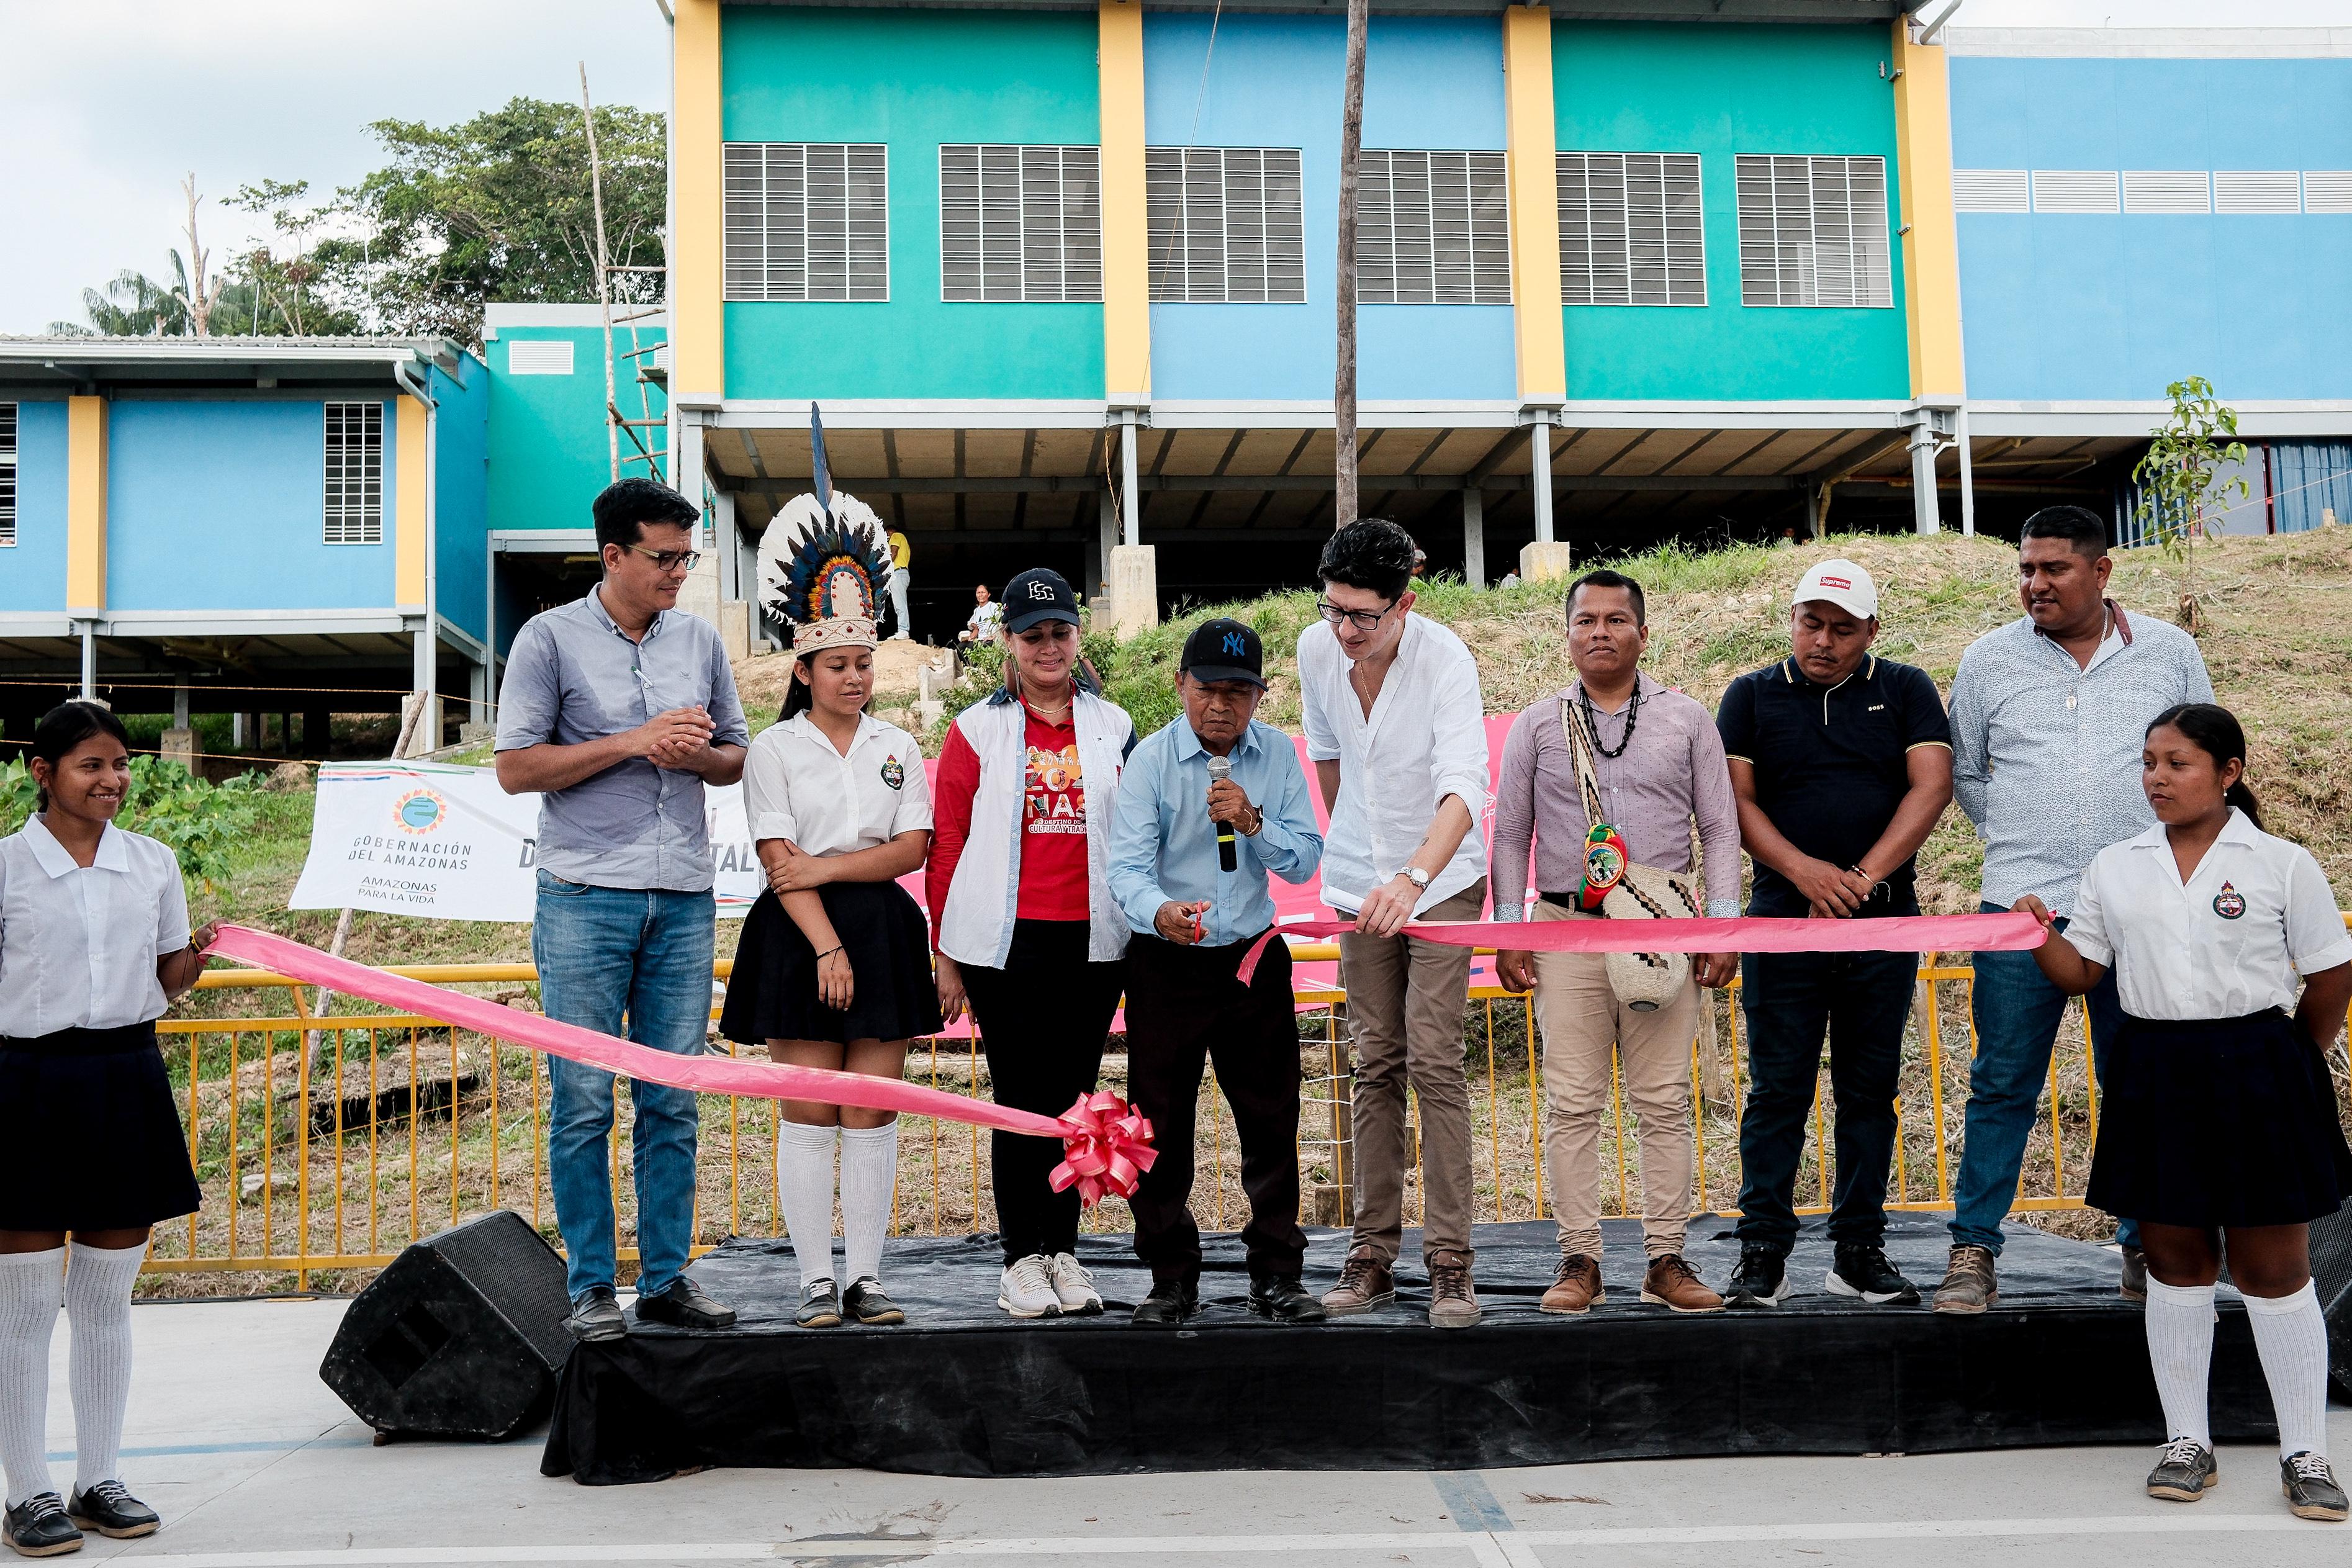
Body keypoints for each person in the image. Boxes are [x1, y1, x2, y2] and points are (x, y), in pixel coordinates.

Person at [2018, 704, 2350, 1523]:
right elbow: (2082, 972)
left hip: (2261, 1068)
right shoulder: (2116, 865)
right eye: (2149, 763)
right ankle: (2186, 1442)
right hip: (2156, 1069)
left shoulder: (2280, 862)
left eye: (2178, 763)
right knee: (2175, 1264)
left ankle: (2306, 1453)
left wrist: (2289, 1061)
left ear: (2229, 772)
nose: (2157, 779)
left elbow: (2331, 974)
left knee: (2274, 1269)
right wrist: (2034, 932)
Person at [1936, 505, 2214, 1313]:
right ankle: (1973, 1250)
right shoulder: (1988, 658)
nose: (2036, 583)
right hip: (2022, 908)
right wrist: (2019, 834)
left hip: (2143, 908)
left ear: (2101, 571)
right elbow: (1966, 770)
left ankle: (2143, 1244)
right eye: (2026, 568)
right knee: (2001, 1084)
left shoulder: (2169, 652)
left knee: (2138, 1083)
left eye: (2054, 568)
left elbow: (2201, 757)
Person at [495, 477, 749, 1344]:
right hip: (583, 895)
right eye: (664, 557)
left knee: (673, 1098)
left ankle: (668, 1278)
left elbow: (735, 756)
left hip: (683, 895)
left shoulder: (700, 640)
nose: (679, 571)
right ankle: (592, 1286)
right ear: (613, 555)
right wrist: (636, 741)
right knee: (583, 1101)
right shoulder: (547, 638)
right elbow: (516, 768)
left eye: (687, 556)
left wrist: (696, 755)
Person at [1491, 569, 1740, 1316]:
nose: (1600, 631)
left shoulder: (1688, 719)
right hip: (1563, 927)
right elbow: (1511, 832)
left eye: (1616, 619)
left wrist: (1720, 925)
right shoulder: (1537, 725)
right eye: (1586, 620)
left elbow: (1719, 826)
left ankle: (1666, 1258)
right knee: (1572, 1102)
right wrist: (1509, 930)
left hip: (1664, 928)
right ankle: (1580, 1259)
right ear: (1567, 634)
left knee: (1663, 1100)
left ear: (1643, 632)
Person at [1, 703, 211, 1556]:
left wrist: (198, 958)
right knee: (23, 1307)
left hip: (125, 1076)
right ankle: (27, 1492)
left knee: (103, 1300)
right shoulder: (6, 867)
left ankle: (99, 1480)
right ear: (42, 772)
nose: (112, 780)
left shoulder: (153, 863)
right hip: (22, 1082)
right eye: (91, 765)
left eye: (120, 764)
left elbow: (167, 977)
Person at [1714, 560, 1953, 1309]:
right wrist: (1806, 873)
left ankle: (1858, 1250)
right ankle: (1762, 1252)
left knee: (1870, 1090)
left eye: (1843, 629)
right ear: (1792, 620)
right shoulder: (1751, 695)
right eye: (1811, 624)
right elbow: (1735, 802)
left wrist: (1859, 878)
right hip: (1782, 924)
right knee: (1777, 1090)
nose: (1824, 641)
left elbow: (1933, 785)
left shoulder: (1906, 689)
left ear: (1872, 631)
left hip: (1883, 921)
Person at [723, 497, 937, 1330]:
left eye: (863, 663)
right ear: (804, 670)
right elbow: (782, 863)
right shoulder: (774, 749)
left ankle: (868, 1278)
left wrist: (833, 868)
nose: (854, 677)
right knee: (810, 1111)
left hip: (883, 930)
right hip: (797, 931)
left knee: (871, 1111)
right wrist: (825, 947)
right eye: (838, 664)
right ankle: (817, 1278)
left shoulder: (897, 746)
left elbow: (910, 848)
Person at [1296, 521, 1491, 1328]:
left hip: (1441, 877)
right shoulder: (1316, 650)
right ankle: (1371, 1253)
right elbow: (1327, 753)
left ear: (1404, 603)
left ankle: (1451, 1262)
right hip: (1360, 881)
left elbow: (1464, 787)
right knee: (1374, 1061)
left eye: (1363, 616)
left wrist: (1412, 876)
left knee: (1434, 1059)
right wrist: (1365, 854)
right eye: (1334, 609)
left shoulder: (1446, 660)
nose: (1345, 630)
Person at [1107, 618, 1327, 1328]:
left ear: (1260, 696)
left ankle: (1277, 1273)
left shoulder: (1278, 755)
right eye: (1207, 690)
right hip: (1167, 962)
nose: (1221, 706)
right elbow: (1125, 868)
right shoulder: (1150, 762)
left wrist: (1254, 822)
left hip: (1251, 961)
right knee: (1159, 1124)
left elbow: (1305, 860)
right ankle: (1170, 1276)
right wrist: (1160, 911)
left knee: (1271, 1119)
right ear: (1181, 686)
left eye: (1238, 692)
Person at [929, 568, 1135, 1320]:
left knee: (1076, 1102)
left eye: (1060, 633)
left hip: (1096, 942)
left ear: (1078, 637)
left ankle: (1064, 1252)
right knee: (1019, 1101)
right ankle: (1020, 1258)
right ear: (1009, 645)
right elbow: (947, 842)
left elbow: (1137, 834)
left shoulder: (1114, 725)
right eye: (1032, 635)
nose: (1048, 647)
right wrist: (945, 952)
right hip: (1003, 947)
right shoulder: (975, 730)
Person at [886, 527, 913, 641]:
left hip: (898, 573)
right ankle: (902, 629)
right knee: (899, 603)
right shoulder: (903, 540)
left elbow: (894, 553)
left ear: (890, 532)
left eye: (887, 534)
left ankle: (903, 630)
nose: (887, 537)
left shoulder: (896, 536)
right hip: (901, 573)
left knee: (900, 603)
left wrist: (884, 568)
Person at [959, 585, 1003, 649]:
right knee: (961, 646)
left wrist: (994, 636)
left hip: (991, 640)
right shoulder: (977, 611)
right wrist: (970, 638)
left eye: (983, 592)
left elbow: (1001, 622)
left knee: (973, 646)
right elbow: (976, 629)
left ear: (989, 595)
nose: (981, 595)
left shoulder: (993, 606)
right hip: (980, 640)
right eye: (978, 593)